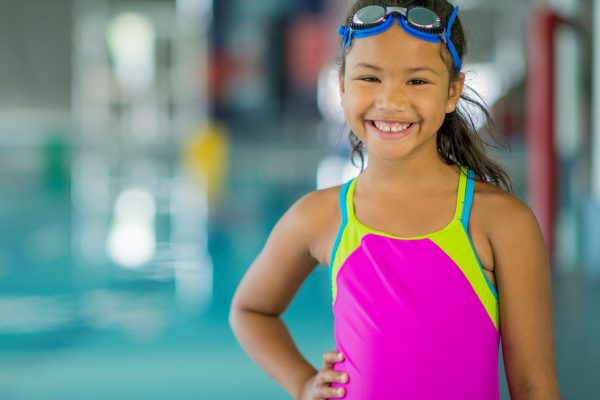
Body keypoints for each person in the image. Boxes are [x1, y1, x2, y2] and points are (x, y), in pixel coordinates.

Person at [229, 0, 561, 399]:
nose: (391, 101)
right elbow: (251, 311)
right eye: (370, 78)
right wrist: (302, 383)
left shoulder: (501, 222)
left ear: (453, 90)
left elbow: (534, 387)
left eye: (417, 81)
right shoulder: (320, 218)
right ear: (342, 86)